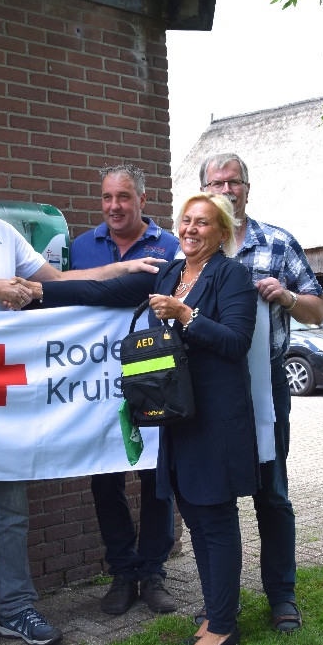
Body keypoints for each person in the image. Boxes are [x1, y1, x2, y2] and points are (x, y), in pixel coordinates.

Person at [0, 142, 162, 645]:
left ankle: (16, 610)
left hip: (3, 392)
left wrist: (120, 271)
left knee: (12, 506)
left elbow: (59, 282)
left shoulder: (4, 233)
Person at [34, 192, 260, 645]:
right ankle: (215, 612)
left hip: (216, 420)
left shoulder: (232, 275)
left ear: (222, 232)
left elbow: (236, 342)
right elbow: (98, 291)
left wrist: (186, 315)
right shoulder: (170, 273)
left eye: (202, 222)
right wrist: (36, 291)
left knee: (216, 519)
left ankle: (223, 626)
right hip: (179, 418)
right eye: (186, 221)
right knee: (195, 519)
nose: (191, 229)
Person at [198, 153, 323, 634]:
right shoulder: (191, 247)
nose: (225, 190)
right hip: (210, 390)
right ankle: (221, 603)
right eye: (216, 183)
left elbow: (317, 309)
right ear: (204, 190)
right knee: (215, 496)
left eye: (233, 182)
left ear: (247, 189)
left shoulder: (277, 242)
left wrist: (289, 297)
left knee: (271, 492)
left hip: (265, 382)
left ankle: (282, 596)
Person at [69, 164, 181, 615]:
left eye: (124, 197)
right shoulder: (81, 247)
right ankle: (122, 572)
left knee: (156, 476)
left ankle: (153, 572)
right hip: (95, 380)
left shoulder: (169, 246)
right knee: (105, 476)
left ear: (142, 200)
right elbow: (73, 304)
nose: (114, 207)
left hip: (153, 376)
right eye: (106, 197)